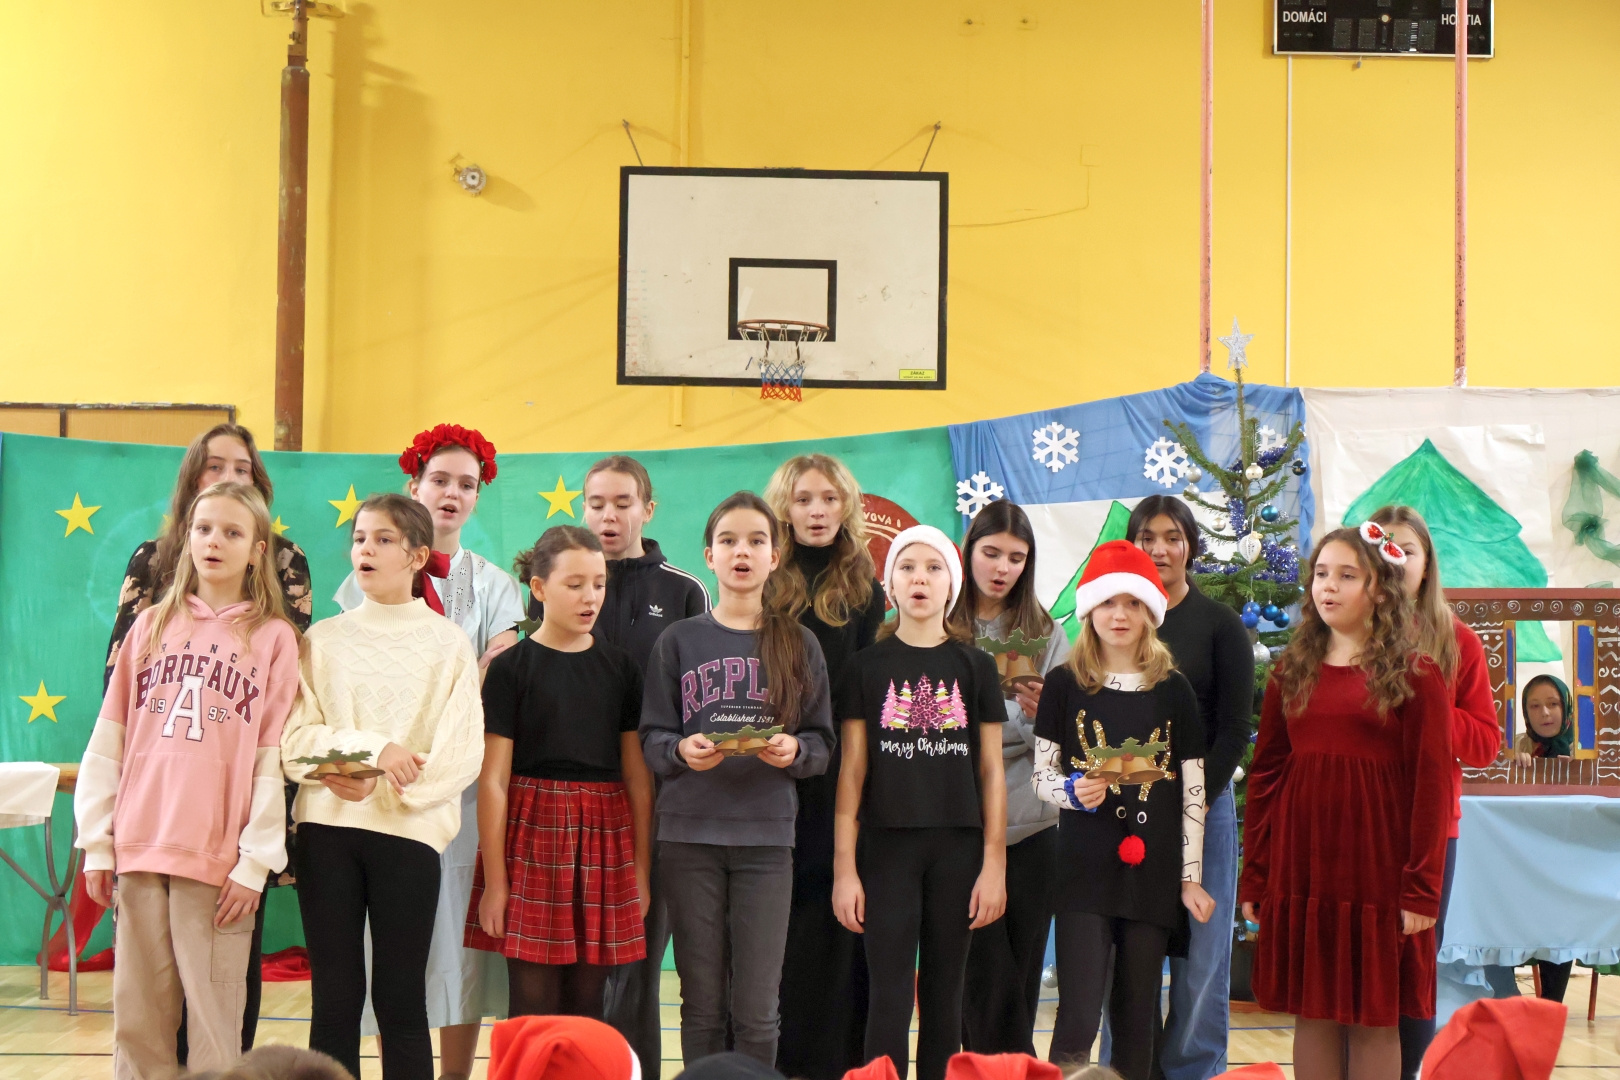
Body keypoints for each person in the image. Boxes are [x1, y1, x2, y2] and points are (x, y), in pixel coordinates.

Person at [103, 423, 312, 1062]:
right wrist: (97, 843)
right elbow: (110, 741)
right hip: (141, 846)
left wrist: (255, 861)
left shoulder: (274, 638)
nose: (214, 541)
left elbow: (271, 760)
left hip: (218, 862)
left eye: (231, 532)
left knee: (216, 1025)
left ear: (257, 549)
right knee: (139, 1021)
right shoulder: (149, 626)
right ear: (186, 538)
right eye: (203, 529)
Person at [332, 424, 524, 1080]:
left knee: (462, 941)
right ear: (413, 485)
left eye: (466, 484)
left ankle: (455, 1075)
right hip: (382, 788)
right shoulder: (362, 579)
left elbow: (497, 677)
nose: (451, 493)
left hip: (462, 788)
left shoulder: (495, 585)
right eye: (439, 479)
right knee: (394, 945)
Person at [282, 494, 486, 1080]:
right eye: (359, 539)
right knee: (335, 999)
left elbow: (461, 753)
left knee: (401, 1000)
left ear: (418, 556)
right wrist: (367, 757)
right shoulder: (322, 639)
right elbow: (294, 742)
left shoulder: (447, 643)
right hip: (326, 833)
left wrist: (393, 792)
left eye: (383, 539)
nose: (365, 550)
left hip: (408, 836)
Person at [1239, 525, 1454, 1080]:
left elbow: (1431, 786)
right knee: (1313, 1013)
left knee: (1372, 1018)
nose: (1327, 586)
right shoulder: (1291, 669)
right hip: (1305, 865)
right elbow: (1266, 775)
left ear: (1379, 590)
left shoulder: (1416, 674)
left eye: (1346, 575)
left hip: (1377, 870)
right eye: (1320, 574)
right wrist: (1256, 875)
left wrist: (1421, 887)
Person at [640, 492, 835, 1069]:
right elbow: (652, 737)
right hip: (688, 837)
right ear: (709, 556)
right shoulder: (678, 640)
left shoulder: (798, 642)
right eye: (728, 541)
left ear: (775, 557)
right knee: (701, 1004)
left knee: (757, 1009)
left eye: (755, 541)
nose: (741, 552)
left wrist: (795, 749)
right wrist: (680, 749)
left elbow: (822, 743)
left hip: (765, 840)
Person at [1030, 540, 1214, 1080]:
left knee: (1137, 1018)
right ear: (1090, 609)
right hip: (1084, 872)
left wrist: (1190, 878)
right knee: (1078, 1015)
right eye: (1109, 602)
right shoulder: (1064, 685)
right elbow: (1042, 776)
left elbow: (1193, 790)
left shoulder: (1174, 690)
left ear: (1150, 613)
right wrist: (1071, 791)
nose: (1120, 614)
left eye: (1133, 603)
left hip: (1150, 874)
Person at [834, 524, 1010, 1080]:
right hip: (886, 850)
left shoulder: (976, 667)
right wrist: (845, 869)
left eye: (934, 568)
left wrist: (995, 864)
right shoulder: (866, 667)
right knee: (888, 996)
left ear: (951, 585)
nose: (920, 579)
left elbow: (992, 772)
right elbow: (852, 774)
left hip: (958, 852)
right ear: (890, 584)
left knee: (944, 995)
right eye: (907, 567)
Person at [466, 525, 654, 1017]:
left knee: (588, 1002)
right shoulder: (511, 669)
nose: (590, 597)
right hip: (533, 838)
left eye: (599, 584)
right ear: (539, 587)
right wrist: (496, 883)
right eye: (575, 584)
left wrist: (640, 870)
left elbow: (637, 779)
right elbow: (494, 781)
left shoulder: (622, 669)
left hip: (605, 837)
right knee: (533, 1001)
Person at [574, 455, 711, 1075]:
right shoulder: (567, 580)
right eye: (597, 503)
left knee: (639, 957)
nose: (609, 515)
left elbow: (699, 696)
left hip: (654, 796)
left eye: (623, 503)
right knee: (580, 962)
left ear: (647, 510)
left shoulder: (683, 591)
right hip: (576, 795)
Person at [1367, 506, 1502, 1079]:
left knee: (1413, 966)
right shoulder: (1346, 636)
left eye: (1408, 549)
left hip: (1429, 831)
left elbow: (1486, 744)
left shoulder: (1457, 640)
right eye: (1385, 547)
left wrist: (1433, 709)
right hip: (1358, 823)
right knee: (1357, 963)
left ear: (1427, 563)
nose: (1396, 559)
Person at [1122, 495, 1254, 1078]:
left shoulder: (1219, 624)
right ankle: (1128, 1067)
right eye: (1146, 538)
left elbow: (1234, 728)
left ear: (1190, 547)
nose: (1159, 549)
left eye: (1172, 537)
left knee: (1201, 957)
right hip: (1127, 812)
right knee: (1128, 953)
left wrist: (1192, 801)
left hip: (1205, 810)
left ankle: (1194, 1070)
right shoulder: (1115, 619)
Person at [765, 454, 887, 1079]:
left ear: (847, 507)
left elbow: (864, 696)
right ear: (784, 508)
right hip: (768, 770)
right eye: (804, 499)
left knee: (837, 921)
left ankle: (838, 1063)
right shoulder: (764, 579)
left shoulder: (865, 589)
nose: (817, 511)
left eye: (830, 499)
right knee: (776, 923)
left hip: (838, 776)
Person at [947, 500, 1067, 1057]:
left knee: (1017, 979)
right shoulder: (939, 625)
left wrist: (1037, 721)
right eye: (991, 552)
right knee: (978, 980)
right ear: (968, 550)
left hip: (1032, 827)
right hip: (957, 824)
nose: (1002, 568)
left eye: (1016, 558)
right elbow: (936, 726)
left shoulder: (1047, 633)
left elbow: (1065, 735)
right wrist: (1018, 724)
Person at [1511, 673, 1577, 1003]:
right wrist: (1515, 767)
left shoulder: (1587, 749)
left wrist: (1580, 770)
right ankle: (1505, 1005)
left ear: (1567, 708)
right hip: (1520, 859)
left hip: (1568, 861)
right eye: (1535, 706)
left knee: (1560, 922)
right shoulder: (1516, 747)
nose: (1545, 713)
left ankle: (1551, 1009)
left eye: (1553, 704)